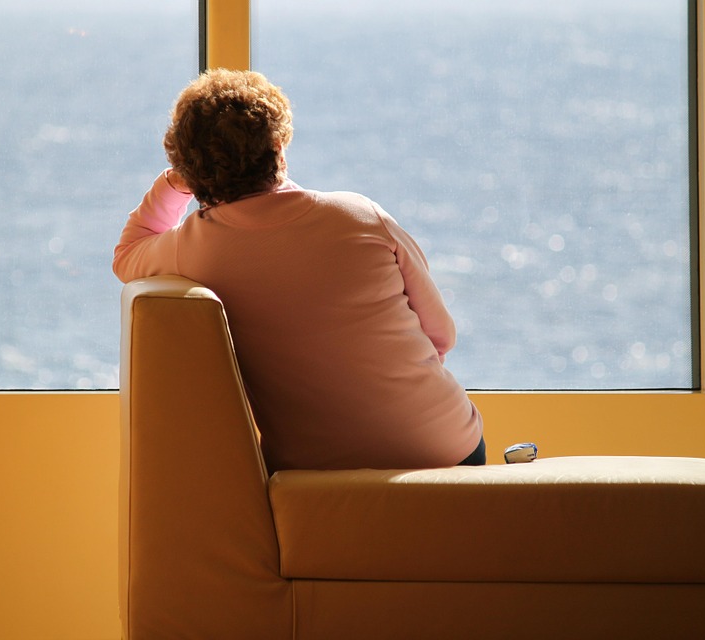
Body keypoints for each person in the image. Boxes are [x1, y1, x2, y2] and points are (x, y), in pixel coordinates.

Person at [113, 68, 484, 473]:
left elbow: (128, 254)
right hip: (448, 449)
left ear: (189, 169)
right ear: (278, 146)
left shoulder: (194, 249)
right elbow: (441, 336)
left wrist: (171, 185)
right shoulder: (360, 215)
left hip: (313, 473)